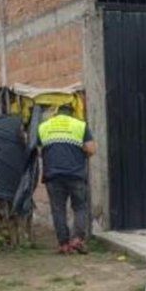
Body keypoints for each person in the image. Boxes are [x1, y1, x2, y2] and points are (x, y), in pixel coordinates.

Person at [38, 104, 96, 254]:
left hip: (52, 176)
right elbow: (91, 149)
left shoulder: (44, 126)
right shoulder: (80, 125)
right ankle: (77, 240)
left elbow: (37, 148)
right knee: (80, 207)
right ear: (72, 113)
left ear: (56, 113)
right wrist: (79, 150)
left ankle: (63, 244)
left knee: (58, 210)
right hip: (75, 175)